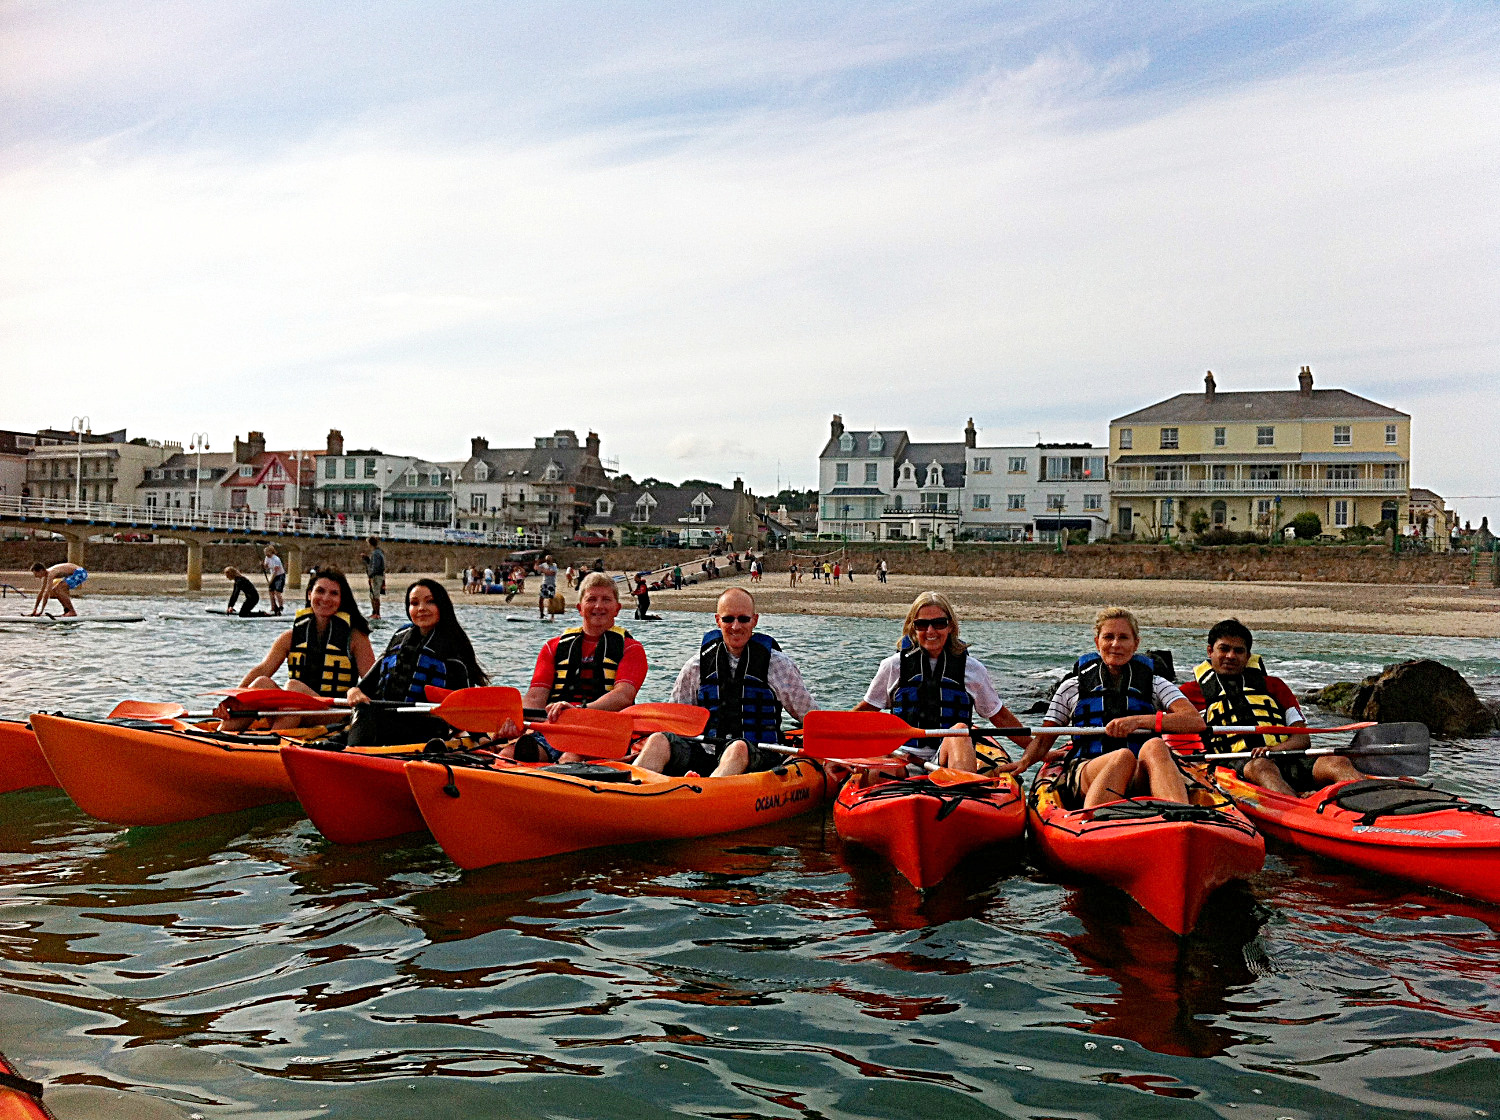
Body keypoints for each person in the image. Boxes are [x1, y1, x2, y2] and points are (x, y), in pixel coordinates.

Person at [1000, 607, 1204, 808]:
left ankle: (1179, 818)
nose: (1116, 644)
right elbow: (1045, 738)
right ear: (1097, 642)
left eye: (1123, 638)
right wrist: (1025, 761)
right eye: (1108, 637)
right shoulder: (1071, 687)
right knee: (1122, 757)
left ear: (1136, 644)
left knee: (1156, 746)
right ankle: (1094, 819)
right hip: (1087, 769)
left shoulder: (1156, 683)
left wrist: (1139, 721)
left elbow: (1194, 721)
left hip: (1138, 775)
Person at [636, 587, 816, 778]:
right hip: (707, 754)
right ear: (717, 620)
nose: (736, 626)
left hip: (759, 756)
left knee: (737, 747)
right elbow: (677, 723)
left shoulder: (779, 665)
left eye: (743, 619)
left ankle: (706, 794)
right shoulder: (696, 666)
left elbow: (811, 717)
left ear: (754, 620)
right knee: (658, 740)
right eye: (728, 619)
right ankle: (628, 789)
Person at [1180, 618, 1361, 795]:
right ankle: (1297, 811)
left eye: (1238, 651)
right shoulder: (1187, 694)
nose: (1231, 656)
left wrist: (1273, 750)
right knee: (1261, 766)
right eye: (1224, 649)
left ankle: (1381, 805)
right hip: (1236, 767)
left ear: (1247, 656)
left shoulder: (1274, 686)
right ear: (1210, 651)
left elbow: (1302, 739)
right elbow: (1164, 723)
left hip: (1285, 758)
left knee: (1337, 762)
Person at [855, 591, 1029, 773]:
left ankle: (962, 791)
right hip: (902, 756)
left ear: (951, 626)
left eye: (939, 623)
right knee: (875, 772)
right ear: (912, 628)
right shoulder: (893, 666)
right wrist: (833, 749)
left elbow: (999, 717)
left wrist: (1036, 751)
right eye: (922, 624)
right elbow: (865, 712)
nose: (930, 631)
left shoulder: (973, 669)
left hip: (947, 759)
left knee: (960, 731)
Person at [497, 573, 648, 762]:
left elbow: (623, 696)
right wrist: (518, 722)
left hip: (603, 731)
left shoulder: (631, 649)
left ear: (617, 609)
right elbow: (536, 697)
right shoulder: (553, 647)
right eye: (591, 599)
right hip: (556, 728)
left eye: (606, 600)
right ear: (580, 608)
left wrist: (578, 711)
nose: (598, 606)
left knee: (571, 758)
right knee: (507, 755)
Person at [228, 567, 376, 730]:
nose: (326, 598)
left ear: (342, 599)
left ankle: (274, 744)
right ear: (309, 594)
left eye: (334, 593)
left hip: (334, 713)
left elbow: (374, 683)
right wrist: (230, 700)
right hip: (294, 709)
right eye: (320, 591)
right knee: (261, 683)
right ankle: (220, 736)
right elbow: (262, 669)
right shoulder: (290, 637)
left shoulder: (355, 638)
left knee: (293, 688)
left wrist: (357, 693)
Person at [344, 579, 489, 745]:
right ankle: (342, 751)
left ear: (442, 605)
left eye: (430, 602)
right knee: (354, 720)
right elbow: (365, 687)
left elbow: (465, 705)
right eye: (414, 603)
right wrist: (353, 692)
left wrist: (481, 736)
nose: (421, 608)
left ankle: (352, 755)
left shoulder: (453, 648)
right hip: (385, 721)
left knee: (365, 712)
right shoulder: (400, 638)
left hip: (427, 729)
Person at [362, 537, 386, 619]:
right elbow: (374, 565)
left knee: (375, 595)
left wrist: (371, 575)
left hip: (376, 576)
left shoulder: (376, 553)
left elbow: (375, 567)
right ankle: (375, 612)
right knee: (373, 595)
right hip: (378, 576)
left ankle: (377, 613)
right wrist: (367, 559)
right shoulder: (378, 552)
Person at [262, 547, 286, 614]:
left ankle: (281, 607)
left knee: (277, 592)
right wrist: (263, 565)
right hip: (273, 575)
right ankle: (273, 607)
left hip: (280, 576)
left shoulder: (276, 559)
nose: (265, 554)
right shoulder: (267, 558)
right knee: (271, 592)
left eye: (266, 552)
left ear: (270, 552)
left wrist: (270, 581)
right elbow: (266, 567)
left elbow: (276, 571)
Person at [536, 553, 558, 619]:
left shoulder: (554, 565)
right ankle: (541, 614)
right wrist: (537, 562)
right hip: (544, 584)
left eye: (548, 560)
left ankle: (552, 616)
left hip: (551, 584)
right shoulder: (543, 565)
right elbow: (536, 568)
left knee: (551, 600)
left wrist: (542, 570)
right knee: (541, 600)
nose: (547, 561)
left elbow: (551, 573)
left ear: (551, 560)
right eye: (546, 560)